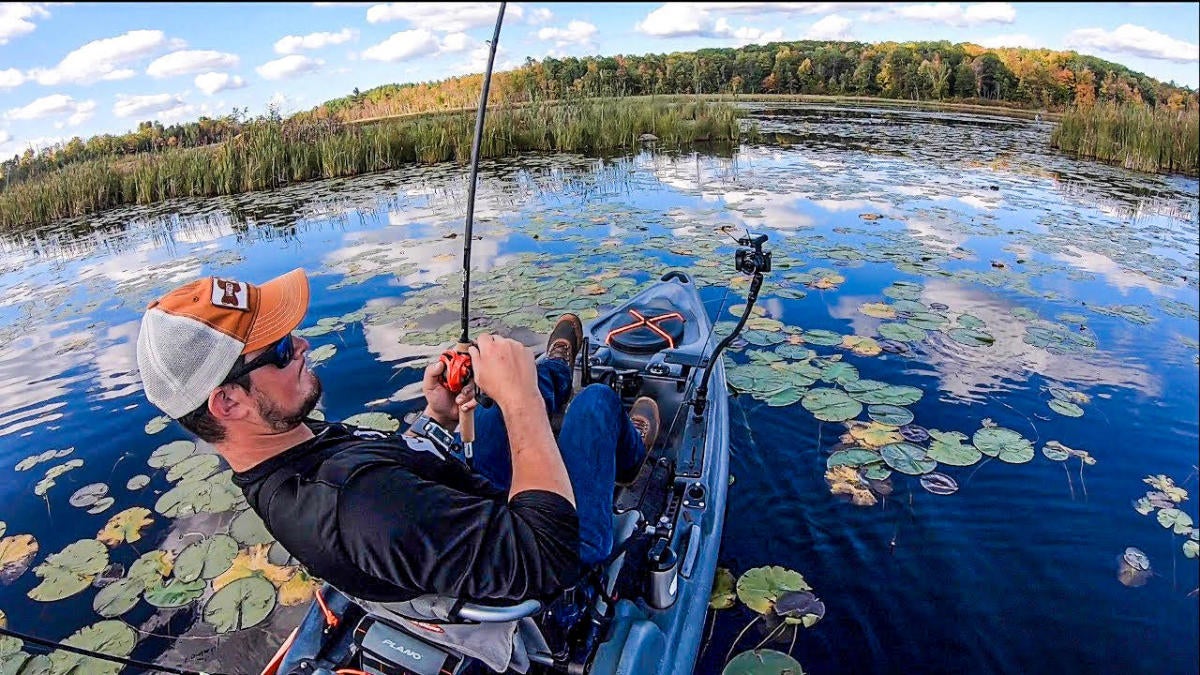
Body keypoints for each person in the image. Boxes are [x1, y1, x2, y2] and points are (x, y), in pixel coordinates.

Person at [135, 267, 660, 607]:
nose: (301, 344)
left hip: (464, 507)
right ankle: (627, 450)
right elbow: (546, 554)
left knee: (502, 399)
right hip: (551, 546)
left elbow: (395, 474)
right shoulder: (359, 507)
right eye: (277, 351)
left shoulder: (284, 444)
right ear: (227, 402)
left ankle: (552, 369)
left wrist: (439, 417)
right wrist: (521, 402)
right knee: (594, 405)